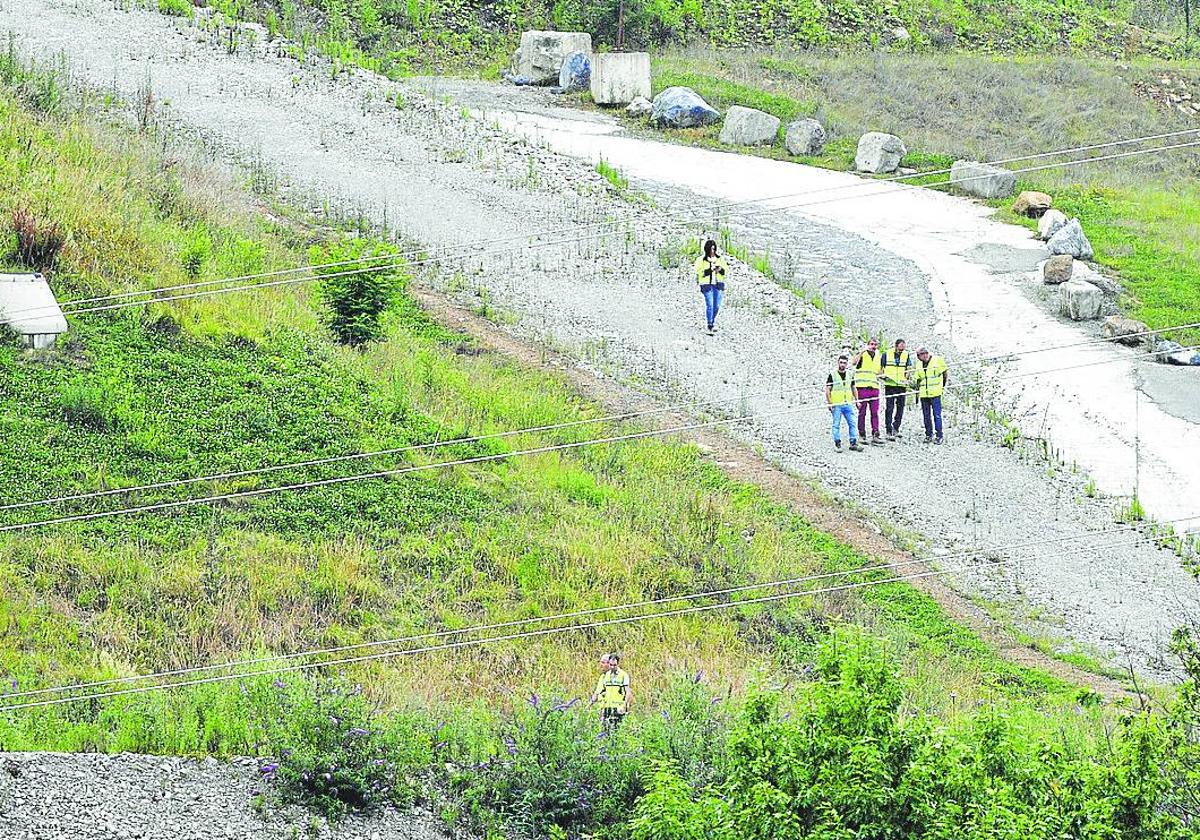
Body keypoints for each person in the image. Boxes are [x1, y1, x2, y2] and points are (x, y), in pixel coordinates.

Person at [826, 355, 863, 452]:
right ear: (838, 362)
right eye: (841, 362)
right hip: (837, 404)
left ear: (847, 364)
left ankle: (853, 442)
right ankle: (837, 443)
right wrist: (830, 403)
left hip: (848, 403)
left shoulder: (850, 374)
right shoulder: (832, 375)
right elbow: (828, 390)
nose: (842, 364)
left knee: (852, 423)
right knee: (836, 424)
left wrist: (857, 400)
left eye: (844, 363)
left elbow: (853, 388)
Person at [913, 346, 949, 444]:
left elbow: (945, 373)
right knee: (926, 415)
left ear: (926, 353)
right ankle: (928, 435)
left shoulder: (937, 360)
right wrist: (917, 394)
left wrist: (942, 386)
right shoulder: (919, 364)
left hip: (935, 393)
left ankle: (939, 435)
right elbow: (918, 379)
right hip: (924, 394)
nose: (921, 357)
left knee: (937, 415)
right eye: (919, 356)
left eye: (922, 354)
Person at [852, 338, 884, 445]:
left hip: (874, 387)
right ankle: (862, 434)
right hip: (862, 387)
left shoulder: (878, 357)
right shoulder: (863, 354)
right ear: (867, 345)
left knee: (875, 412)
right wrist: (862, 351)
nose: (873, 346)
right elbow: (854, 362)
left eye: (875, 344)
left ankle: (875, 433)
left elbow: (879, 372)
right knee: (862, 412)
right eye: (871, 344)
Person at [589, 652, 631, 730]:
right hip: (606, 708)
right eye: (611, 665)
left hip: (618, 708)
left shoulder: (623, 675)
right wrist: (590, 704)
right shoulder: (605, 676)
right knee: (605, 731)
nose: (612, 667)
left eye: (614, 665)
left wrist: (625, 706)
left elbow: (628, 693)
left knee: (616, 730)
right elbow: (598, 692)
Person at [880, 338, 912, 441]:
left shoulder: (906, 355)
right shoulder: (886, 354)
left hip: (901, 386)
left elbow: (908, 368)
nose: (903, 349)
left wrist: (906, 378)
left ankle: (896, 428)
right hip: (890, 385)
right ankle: (888, 430)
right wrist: (883, 376)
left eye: (904, 346)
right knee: (889, 408)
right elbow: (881, 368)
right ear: (896, 345)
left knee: (900, 407)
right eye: (901, 346)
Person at [694, 239, 727, 334]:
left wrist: (719, 269)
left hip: (718, 285)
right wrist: (710, 270)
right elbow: (698, 272)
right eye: (711, 249)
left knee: (716, 306)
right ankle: (710, 325)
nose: (712, 251)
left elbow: (725, 271)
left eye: (714, 249)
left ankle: (712, 320)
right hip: (706, 285)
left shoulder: (720, 259)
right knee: (710, 305)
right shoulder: (700, 260)